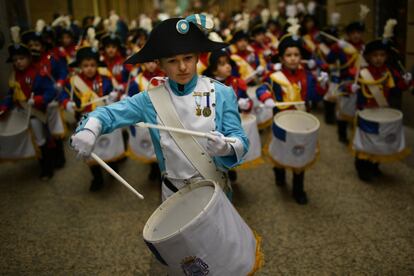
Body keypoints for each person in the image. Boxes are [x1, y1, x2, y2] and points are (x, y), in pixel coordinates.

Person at [70, 15, 249, 201]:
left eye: (188, 58)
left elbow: (241, 140)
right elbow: (109, 113)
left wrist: (226, 147)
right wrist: (91, 128)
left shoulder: (222, 93)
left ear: (197, 57)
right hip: (174, 193)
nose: (182, 67)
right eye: (172, 61)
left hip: (215, 190)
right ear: (160, 64)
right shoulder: (150, 99)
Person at [255, 22, 328, 204]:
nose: (293, 58)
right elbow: (262, 89)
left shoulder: (308, 75)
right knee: (280, 150)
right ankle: (279, 173)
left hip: (301, 121)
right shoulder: (274, 76)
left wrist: (322, 85)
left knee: (300, 154)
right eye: (289, 55)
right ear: (281, 57)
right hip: (281, 120)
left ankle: (298, 189)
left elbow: (315, 95)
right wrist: (266, 98)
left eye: (296, 55)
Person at [62, 46, 123, 191]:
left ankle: (113, 167)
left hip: (106, 117)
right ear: (79, 67)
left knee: (110, 146)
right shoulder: (72, 82)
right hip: (86, 120)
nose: (89, 68)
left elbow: (115, 93)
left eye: (92, 65)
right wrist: (66, 103)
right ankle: (97, 178)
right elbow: (63, 96)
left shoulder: (106, 79)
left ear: (97, 65)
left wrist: (114, 96)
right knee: (90, 150)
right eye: (85, 66)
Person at [0, 27, 56, 179]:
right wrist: (3, 108)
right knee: (32, 142)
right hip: (21, 113)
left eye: (21, 58)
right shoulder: (13, 76)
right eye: (15, 59)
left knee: (41, 140)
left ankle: (47, 169)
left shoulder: (38, 73)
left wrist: (36, 99)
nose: (18, 62)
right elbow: (11, 95)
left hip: (36, 114)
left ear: (29, 58)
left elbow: (50, 92)